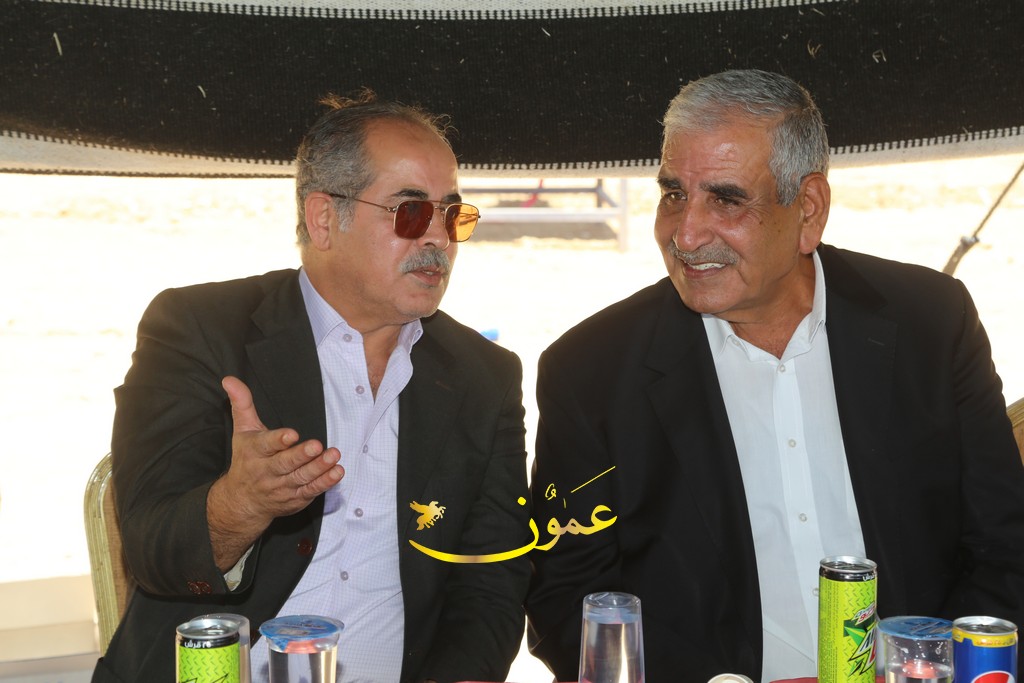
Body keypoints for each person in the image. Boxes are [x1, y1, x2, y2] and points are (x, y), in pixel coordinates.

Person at [525, 69, 1024, 682]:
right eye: (674, 194)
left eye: (726, 199)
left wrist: (935, 670)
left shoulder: (931, 322)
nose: (685, 234)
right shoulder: (592, 370)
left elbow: (1007, 548)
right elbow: (566, 603)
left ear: (808, 209)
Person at [93, 92, 533, 683]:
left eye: (453, 216)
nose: (438, 239)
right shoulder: (201, 330)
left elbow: (491, 579)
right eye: (410, 213)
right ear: (324, 219)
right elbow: (153, 554)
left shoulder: (484, 376)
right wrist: (240, 505)